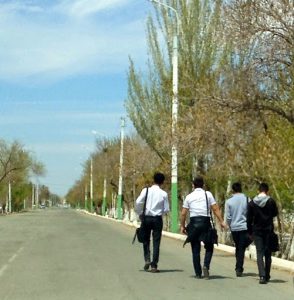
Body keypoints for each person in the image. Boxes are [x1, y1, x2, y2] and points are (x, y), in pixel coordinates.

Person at [180, 176, 226, 279]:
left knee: (195, 249)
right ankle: (206, 265)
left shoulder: (189, 197)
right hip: (206, 223)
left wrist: (182, 226)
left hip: (194, 224)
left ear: (193, 185)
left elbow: (183, 213)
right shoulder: (208, 194)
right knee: (209, 246)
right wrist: (222, 221)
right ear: (203, 185)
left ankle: (197, 272)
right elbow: (215, 209)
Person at [135, 172, 169, 273]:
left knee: (146, 240)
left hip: (146, 218)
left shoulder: (146, 191)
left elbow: (138, 202)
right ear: (162, 182)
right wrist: (159, 213)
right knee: (156, 242)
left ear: (153, 180)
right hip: (157, 219)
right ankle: (154, 265)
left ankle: (147, 259)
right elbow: (166, 209)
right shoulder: (164, 194)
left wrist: (140, 213)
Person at [247, 182, 278, 284]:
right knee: (268, 253)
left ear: (258, 191)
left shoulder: (252, 203)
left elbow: (249, 218)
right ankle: (267, 275)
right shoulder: (271, 201)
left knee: (259, 253)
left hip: (257, 230)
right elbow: (275, 213)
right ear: (267, 191)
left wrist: (249, 231)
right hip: (268, 230)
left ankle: (262, 276)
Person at [225, 182, 250, 277]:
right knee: (241, 248)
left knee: (239, 247)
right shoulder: (247, 199)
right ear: (241, 189)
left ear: (233, 190)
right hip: (244, 227)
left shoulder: (229, 201)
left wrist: (230, 225)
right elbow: (250, 214)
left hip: (234, 228)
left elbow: (228, 217)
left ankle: (238, 267)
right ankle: (239, 268)